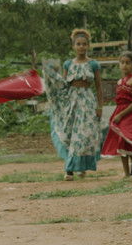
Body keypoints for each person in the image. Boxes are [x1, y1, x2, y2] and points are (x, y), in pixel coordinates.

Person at [42, 29, 103, 181]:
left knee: (82, 134)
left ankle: (70, 169)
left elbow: (99, 87)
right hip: (71, 100)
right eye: (78, 44)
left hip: (87, 101)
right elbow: (62, 85)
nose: (81, 47)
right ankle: (73, 165)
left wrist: (99, 106)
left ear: (88, 46)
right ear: (73, 46)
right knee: (69, 133)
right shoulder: (68, 64)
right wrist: (49, 74)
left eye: (84, 44)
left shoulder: (94, 64)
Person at [101, 51, 132, 177]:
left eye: (128, 63)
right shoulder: (119, 82)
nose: (125, 65)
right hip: (119, 112)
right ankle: (127, 172)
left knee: (126, 139)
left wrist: (121, 115)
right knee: (120, 142)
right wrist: (116, 114)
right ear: (119, 65)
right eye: (122, 62)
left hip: (130, 114)